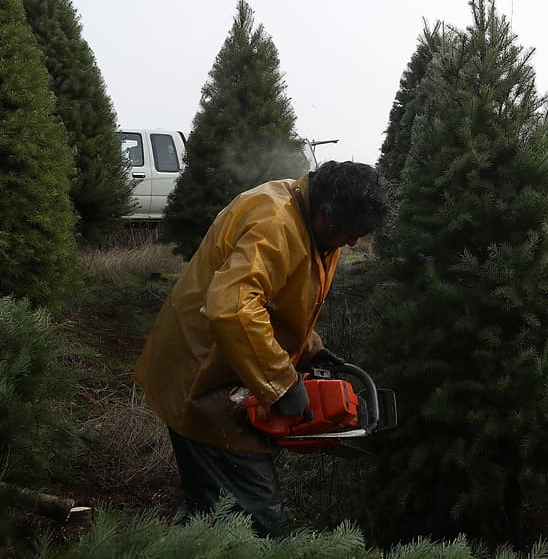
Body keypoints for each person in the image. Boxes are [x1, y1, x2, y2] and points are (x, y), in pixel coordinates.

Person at [133, 160, 390, 537]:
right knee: (253, 519)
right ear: (327, 214)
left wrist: (310, 349)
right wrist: (281, 382)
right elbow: (232, 305)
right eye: (351, 233)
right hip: (202, 377)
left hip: (232, 370)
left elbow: (280, 297)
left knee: (211, 504)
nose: (353, 243)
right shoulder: (275, 222)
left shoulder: (315, 224)